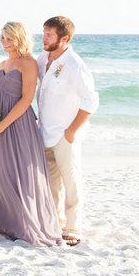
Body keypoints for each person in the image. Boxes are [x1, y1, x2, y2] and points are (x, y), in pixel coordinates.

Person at [0, 23, 62, 246]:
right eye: (2, 38)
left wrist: (3, 125)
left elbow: (26, 99)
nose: (5, 42)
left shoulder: (28, 63)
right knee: (1, 173)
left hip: (18, 125)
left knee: (21, 173)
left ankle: (26, 224)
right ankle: (8, 223)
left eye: (9, 38)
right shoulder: (2, 63)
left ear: (20, 38)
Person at [36, 16, 99, 246]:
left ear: (65, 38)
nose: (44, 38)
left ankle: (72, 227)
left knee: (71, 181)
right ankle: (55, 224)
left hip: (65, 134)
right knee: (52, 184)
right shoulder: (43, 58)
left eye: (49, 35)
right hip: (44, 131)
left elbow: (91, 101)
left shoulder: (75, 64)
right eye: (43, 33)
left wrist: (72, 131)